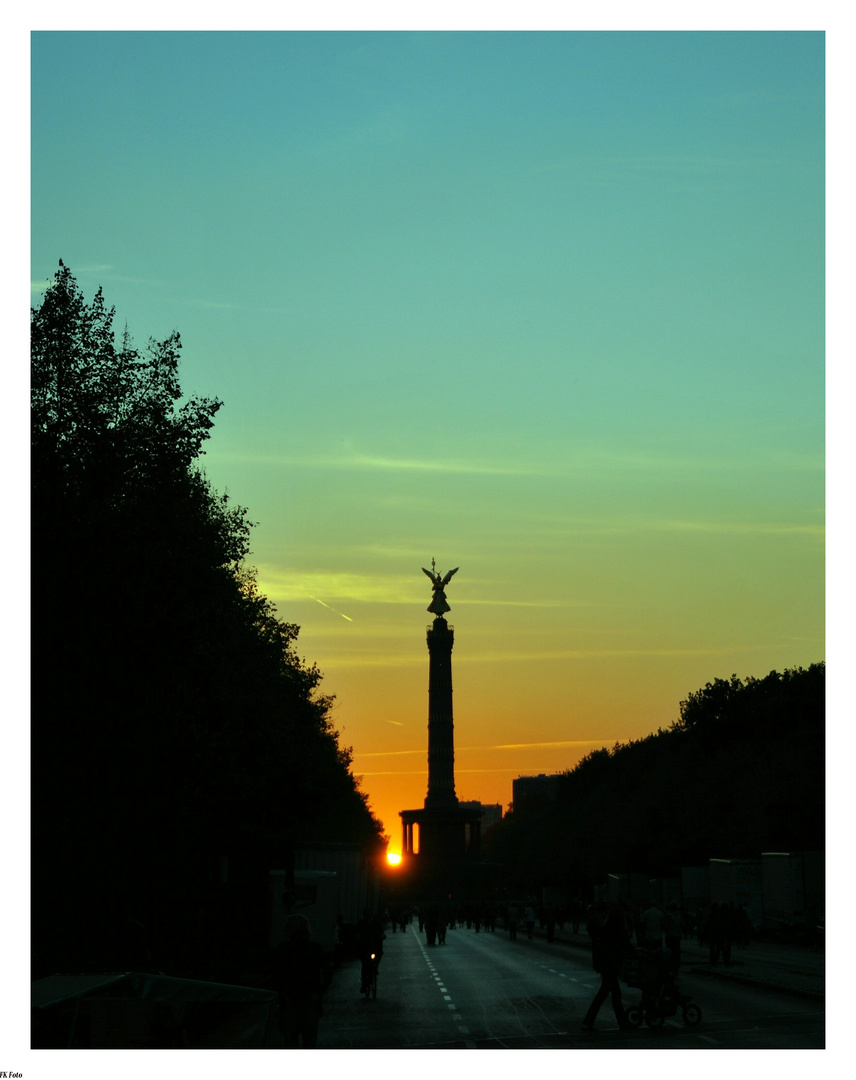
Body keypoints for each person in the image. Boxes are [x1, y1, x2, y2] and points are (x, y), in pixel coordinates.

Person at [273, 914, 328, 1049]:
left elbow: (277, 975)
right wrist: (319, 992)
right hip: (310, 1000)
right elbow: (327, 973)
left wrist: (282, 996)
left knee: (290, 1040)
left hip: (289, 1001)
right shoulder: (315, 949)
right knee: (309, 1040)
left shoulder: (283, 949)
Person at [581, 904, 631, 1032]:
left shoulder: (605, 929)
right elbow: (626, 945)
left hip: (606, 966)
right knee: (606, 994)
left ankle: (622, 1023)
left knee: (613, 994)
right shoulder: (617, 932)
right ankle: (589, 1022)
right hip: (612, 966)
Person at [355, 908, 385, 992]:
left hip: (375, 947)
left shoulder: (377, 924)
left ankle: (375, 968)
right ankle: (364, 984)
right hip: (365, 948)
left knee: (378, 956)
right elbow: (357, 934)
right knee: (364, 965)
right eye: (367, 914)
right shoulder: (361, 924)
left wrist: (382, 936)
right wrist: (358, 938)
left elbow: (381, 933)